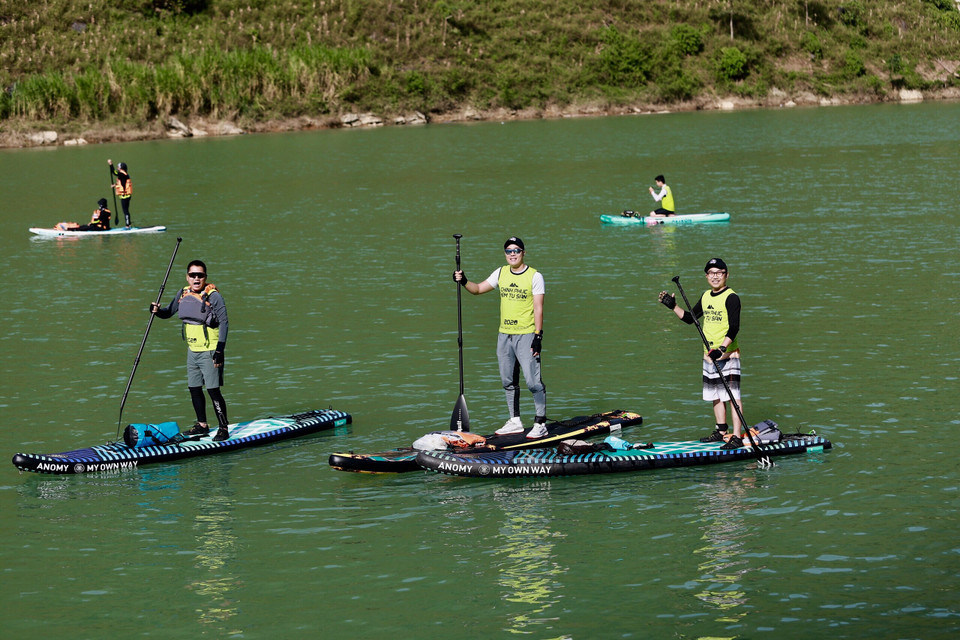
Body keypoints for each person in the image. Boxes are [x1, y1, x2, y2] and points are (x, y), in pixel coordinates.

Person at [453, 237, 548, 439]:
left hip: (526, 334)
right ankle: (514, 421)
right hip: (504, 335)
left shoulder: (535, 276)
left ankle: (540, 422)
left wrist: (538, 336)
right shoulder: (501, 272)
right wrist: (463, 281)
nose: (512, 254)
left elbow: (538, 308)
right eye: (508, 251)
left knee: (533, 382)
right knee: (507, 380)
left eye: (516, 250)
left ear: (523, 253)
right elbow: (477, 289)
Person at [658, 258, 744, 449]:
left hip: (728, 354)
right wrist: (673, 306)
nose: (715, 276)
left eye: (719, 272)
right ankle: (721, 431)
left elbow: (734, 327)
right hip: (709, 355)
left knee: (732, 396)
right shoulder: (706, 296)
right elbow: (690, 319)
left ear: (726, 275)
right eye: (711, 273)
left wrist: (722, 348)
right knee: (715, 394)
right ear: (706, 276)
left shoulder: (732, 297)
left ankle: (736, 437)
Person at [151, 260, 231, 441]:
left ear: (205, 277)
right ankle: (202, 425)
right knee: (194, 389)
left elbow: (224, 322)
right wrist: (156, 311)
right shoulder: (183, 293)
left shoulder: (214, 296)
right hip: (192, 351)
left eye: (200, 275)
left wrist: (220, 349)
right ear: (187, 277)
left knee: (213, 391)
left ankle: (223, 428)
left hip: (210, 350)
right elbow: (168, 312)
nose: (196, 278)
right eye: (193, 275)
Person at [108, 159, 132, 227]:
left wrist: (111, 164)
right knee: (126, 211)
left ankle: (128, 225)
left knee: (125, 211)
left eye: (118, 167)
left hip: (125, 196)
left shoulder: (122, 174)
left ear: (121, 168)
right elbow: (123, 184)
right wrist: (115, 185)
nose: (117, 168)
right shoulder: (123, 175)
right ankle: (128, 224)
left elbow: (114, 172)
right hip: (125, 196)